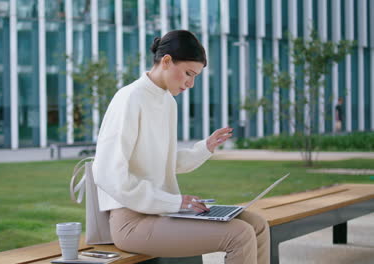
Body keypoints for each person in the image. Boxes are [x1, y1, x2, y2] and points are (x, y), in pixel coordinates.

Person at [92, 30, 270, 264]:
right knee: (239, 235)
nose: (191, 83)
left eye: (195, 76)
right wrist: (175, 202)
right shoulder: (129, 99)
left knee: (257, 225)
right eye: (188, 73)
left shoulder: (167, 102)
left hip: (163, 211)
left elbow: (164, 162)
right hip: (132, 222)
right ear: (166, 61)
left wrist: (204, 148)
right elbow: (107, 174)